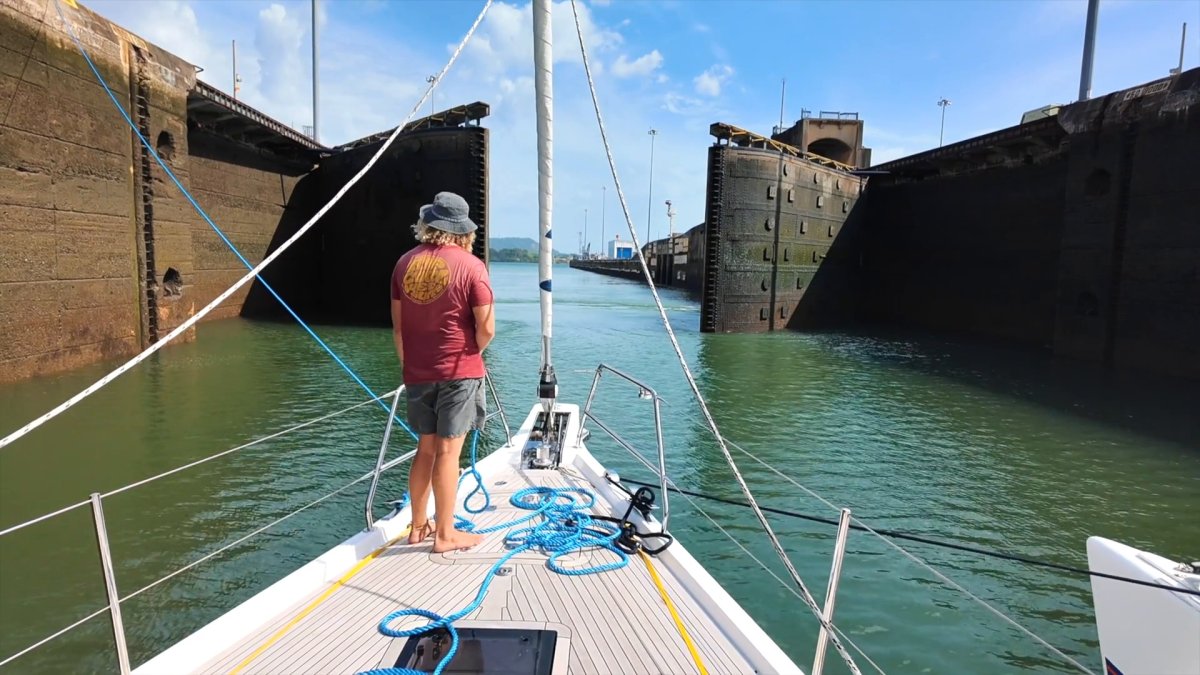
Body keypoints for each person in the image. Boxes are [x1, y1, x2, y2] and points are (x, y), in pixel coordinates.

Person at [390, 191, 495, 553]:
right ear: (463, 231)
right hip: (458, 371)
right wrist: (470, 355)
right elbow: (487, 328)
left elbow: (399, 329)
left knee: (426, 449)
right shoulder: (472, 267)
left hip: (418, 371)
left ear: (428, 224)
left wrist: (411, 366)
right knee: (449, 452)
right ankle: (446, 535)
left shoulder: (403, 263)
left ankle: (419, 526)